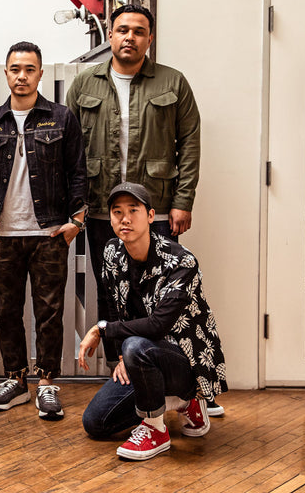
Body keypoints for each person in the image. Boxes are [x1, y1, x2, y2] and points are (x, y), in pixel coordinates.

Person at [65, 4, 214, 414]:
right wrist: (76, 207)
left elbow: (191, 144)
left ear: (150, 38)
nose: (129, 37)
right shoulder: (84, 85)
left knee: (165, 298)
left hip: (159, 208)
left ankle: (180, 380)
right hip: (100, 209)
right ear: (109, 37)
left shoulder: (173, 82)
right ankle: (122, 368)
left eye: (139, 31)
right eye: (122, 30)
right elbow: (71, 151)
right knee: (113, 291)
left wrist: (183, 201)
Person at [0, 42, 86, 421]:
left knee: (49, 312)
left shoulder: (62, 118)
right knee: (6, 311)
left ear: (40, 73)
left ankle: (48, 383)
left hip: (50, 231)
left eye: (29, 69)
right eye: (15, 69)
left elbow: (77, 172)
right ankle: (16, 379)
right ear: (6, 73)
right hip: (2, 234)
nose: (22, 76)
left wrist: (77, 221)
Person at [78, 182, 227, 461]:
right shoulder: (112, 253)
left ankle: (160, 424)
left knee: (137, 346)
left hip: (184, 361)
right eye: (117, 211)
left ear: (150, 216)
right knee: (96, 423)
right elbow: (114, 306)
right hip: (142, 354)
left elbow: (158, 325)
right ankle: (171, 403)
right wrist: (125, 356)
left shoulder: (180, 262)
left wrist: (103, 331)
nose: (125, 218)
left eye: (133, 210)